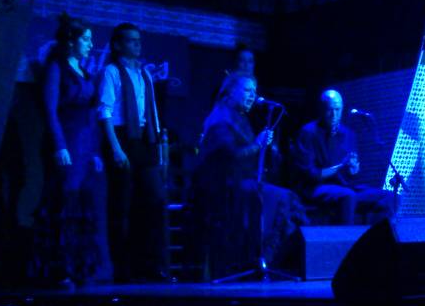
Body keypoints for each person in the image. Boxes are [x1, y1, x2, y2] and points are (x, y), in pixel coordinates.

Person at [193, 73, 304, 279]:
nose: (252, 95)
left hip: (241, 184)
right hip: (224, 188)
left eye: (254, 91)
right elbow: (231, 157)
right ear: (230, 91)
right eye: (246, 90)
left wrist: (267, 148)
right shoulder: (221, 119)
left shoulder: (238, 117)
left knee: (284, 199)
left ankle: (263, 261)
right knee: (285, 199)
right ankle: (262, 261)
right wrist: (257, 144)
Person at [39, 13, 111, 285]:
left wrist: (95, 152)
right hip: (66, 142)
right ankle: (60, 268)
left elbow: (92, 117)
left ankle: (80, 267)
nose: (91, 44)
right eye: (86, 39)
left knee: (82, 204)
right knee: (64, 202)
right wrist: (59, 145)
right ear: (71, 41)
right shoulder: (56, 68)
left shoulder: (85, 72)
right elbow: (50, 110)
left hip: (84, 145)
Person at [98, 23, 168, 282]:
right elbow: (104, 112)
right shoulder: (112, 71)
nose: (137, 44)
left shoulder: (144, 73)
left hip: (144, 141)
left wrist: (158, 148)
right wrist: (116, 148)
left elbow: (153, 113)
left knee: (154, 201)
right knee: (122, 205)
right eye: (131, 40)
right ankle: (122, 269)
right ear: (118, 44)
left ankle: (150, 265)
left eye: (139, 40)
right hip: (122, 138)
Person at [294, 89, 395, 224]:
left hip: (344, 187)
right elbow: (311, 174)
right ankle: (347, 236)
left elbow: (352, 174)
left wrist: (354, 170)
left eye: (337, 110)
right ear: (321, 110)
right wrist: (340, 166)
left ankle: (380, 235)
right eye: (329, 110)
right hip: (315, 188)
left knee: (390, 197)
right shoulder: (308, 132)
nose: (334, 115)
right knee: (348, 196)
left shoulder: (348, 134)